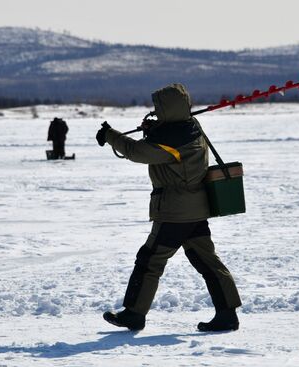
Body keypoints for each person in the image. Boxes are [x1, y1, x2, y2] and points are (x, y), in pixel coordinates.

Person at [96, 83, 242, 332]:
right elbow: (163, 140)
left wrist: (110, 135)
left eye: (158, 108)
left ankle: (133, 314)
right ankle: (227, 314)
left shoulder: (172, 142)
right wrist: (154, 129)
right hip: (196, 209)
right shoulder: (193, 128)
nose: (155, 111)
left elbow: (135, 151)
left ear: (168, 109)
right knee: (207, 261)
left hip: (175, 212)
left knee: (149, 261)